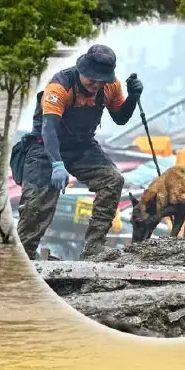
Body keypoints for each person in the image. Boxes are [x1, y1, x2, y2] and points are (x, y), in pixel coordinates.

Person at [12, 44, 143, 260]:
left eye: (101, 80)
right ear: (81, 71)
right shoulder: (60, 87)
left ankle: (93, 248)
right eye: (92, 79)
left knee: (113, 180)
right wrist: (56, 164)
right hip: (45, 145)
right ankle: (23, 256)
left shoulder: (110, 87)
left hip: (82, 145)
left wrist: (132, 97)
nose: (96, 85)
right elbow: (49, 128)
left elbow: (120, 118)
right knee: (38, 204)